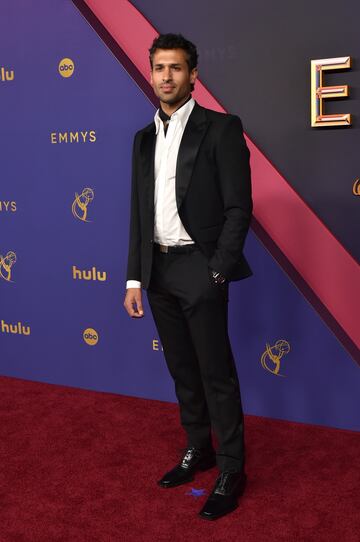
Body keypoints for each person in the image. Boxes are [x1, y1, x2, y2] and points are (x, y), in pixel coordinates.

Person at [124, 33, 252, 521]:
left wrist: (216, 270)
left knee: (216, 372)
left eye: (176, 68)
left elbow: (240, 208)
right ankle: (198, 448)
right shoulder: (142, 139)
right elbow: (140, 214)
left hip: (199, 266)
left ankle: (233, 467)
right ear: (151, 72)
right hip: (156, 270)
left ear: (193, 74)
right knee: (182, 369)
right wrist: (134, 278)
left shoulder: (221, 128)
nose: (166, 77)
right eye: (159, 68)